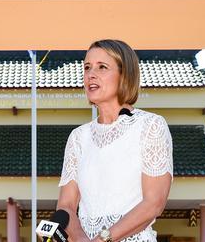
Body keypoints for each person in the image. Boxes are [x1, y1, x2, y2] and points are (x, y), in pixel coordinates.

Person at [57, 39, 173, 242]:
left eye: (102, 67)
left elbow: (154, 202)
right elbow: (66, 205)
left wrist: (103, 239)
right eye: (87, 67)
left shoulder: (151, 126)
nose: (90, 74)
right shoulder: (78, 137)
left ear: (124, 75)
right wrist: (83, 240)